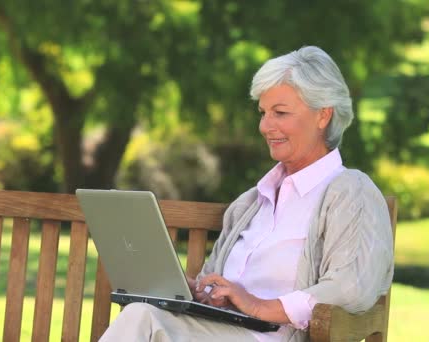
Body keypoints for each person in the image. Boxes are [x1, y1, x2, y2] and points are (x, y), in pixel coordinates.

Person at [99, 46, 394, 342]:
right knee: (144, 313)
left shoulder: (351, 193)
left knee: (144, 318)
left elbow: (351, 287)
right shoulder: (251, 202)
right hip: (218, 332)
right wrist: (206, 293)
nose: (266, 126)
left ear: (323, 116)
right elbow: (219, 285)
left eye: (280, 113)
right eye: (263, 113)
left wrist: (258, 306)